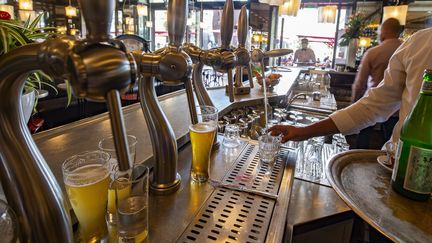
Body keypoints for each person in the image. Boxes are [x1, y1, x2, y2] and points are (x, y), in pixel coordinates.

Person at [269, 27, 432, 148]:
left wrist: (305, 131)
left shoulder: (416, 43)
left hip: (403, 153)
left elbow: (369, 98)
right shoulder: (420, 43)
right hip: (400, 162)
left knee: (367, 138)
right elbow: (375, 105)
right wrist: (304, 131)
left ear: (383, 32)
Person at [351, 18, 403, 149]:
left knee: (363, 140)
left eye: (379, 31)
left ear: (384, 31)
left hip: (372, 104)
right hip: (398, 107)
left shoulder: (373, 52)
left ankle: (358, 161)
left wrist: (353, 105)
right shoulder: (406, 51)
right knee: (392, 145)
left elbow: (360, 83)